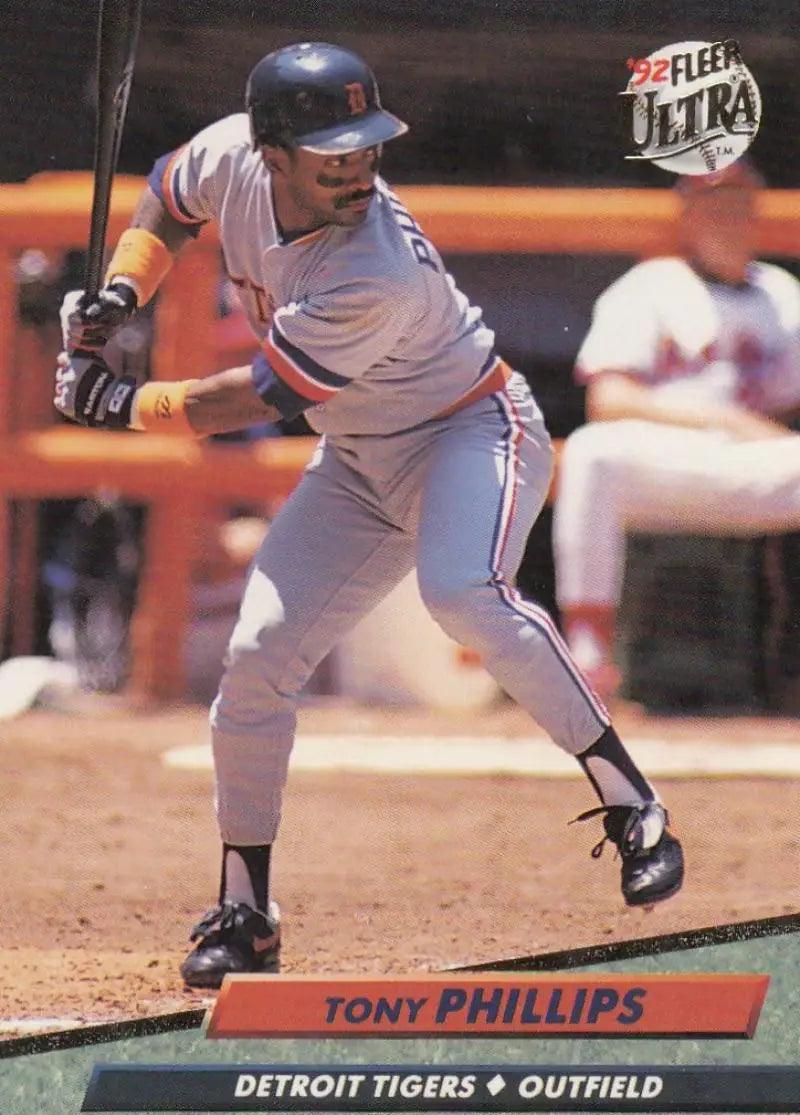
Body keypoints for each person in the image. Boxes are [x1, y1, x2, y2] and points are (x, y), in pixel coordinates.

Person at [55, 42, 684, 989]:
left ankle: (632, 801)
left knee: (463, 592)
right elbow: (167, 199)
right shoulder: (230, 152)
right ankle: (246, 910)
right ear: (271, 150)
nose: (357, 168)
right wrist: (121, 291)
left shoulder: (372, 265)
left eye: (367, 146)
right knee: (258, 659)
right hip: (359, 459)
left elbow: (254, 399)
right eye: (332, 152)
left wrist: (116, 402)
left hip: (471, 429)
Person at [552, 158, 800, 702]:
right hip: (665, 461)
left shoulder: (781, 293)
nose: (726, 215)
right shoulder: (652, 285)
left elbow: (788, 404)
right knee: (592, 452)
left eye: (737, 202)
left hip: (752, 466)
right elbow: (608, 398)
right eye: (711, 202)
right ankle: (589, 653)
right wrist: (724, 417)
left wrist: (753, 431)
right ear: (686, 213)